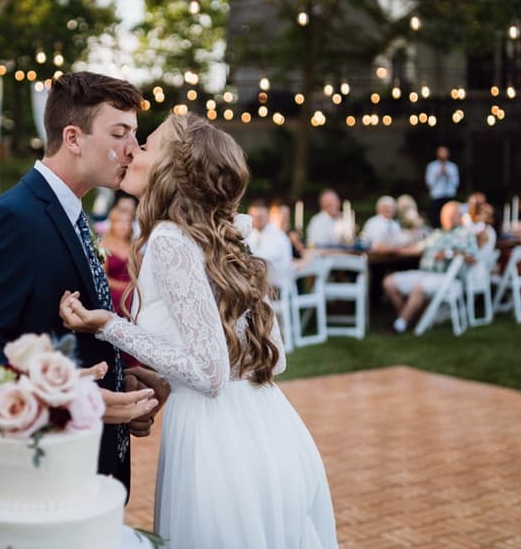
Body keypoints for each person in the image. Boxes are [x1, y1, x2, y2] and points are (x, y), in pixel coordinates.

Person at [60, 114, 337, 548]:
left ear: (172, 168)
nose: (133, 151)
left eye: (146, 145)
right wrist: (168, 379)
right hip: (269, 426)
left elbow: (209, 373)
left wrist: (109, 324)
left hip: (216, 443)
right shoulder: (221, 238)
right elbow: (272, 356)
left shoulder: (170, 240)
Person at [0, 72, 164, 495]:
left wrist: (121, 383)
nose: (133, 150)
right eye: (119, 134)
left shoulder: (73, 214)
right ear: (73, 138)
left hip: (88, 467)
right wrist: (68, 401)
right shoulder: (10, 220)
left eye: (135, 135)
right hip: (36, 475)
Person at [383, 201, 478, 334]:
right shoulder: (436, 234)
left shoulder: (465, 234)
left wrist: (449, 253)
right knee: (389, 283)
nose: (449, 217)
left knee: (419, 287)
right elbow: (416, 248)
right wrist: (390, 249)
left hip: (448, 279)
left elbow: (473, 259)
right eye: (446, 214)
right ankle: (409, 317)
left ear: (460, 216)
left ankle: (399, 325)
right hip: (425, 273)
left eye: (453, 214)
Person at [248, 199, 295, 287]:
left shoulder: (278, 236)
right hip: (258, 282)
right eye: (253, 216)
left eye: (260, 217)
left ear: (268, 216)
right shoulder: (251, 234)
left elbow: (263, 261)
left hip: (276, 286)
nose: (256, 220)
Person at [102, 202, 135, 315]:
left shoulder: (135, 246)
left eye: (127, 222)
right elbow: (103, 278)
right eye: (119, 221)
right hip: (113, 295)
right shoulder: (103, 247)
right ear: (112, 224)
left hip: (134, 293)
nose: (124, 225)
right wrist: (124, 287)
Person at [425, 145, 459, 226]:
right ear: (437, 154)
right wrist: (438, 174)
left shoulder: (452, 167)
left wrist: (448, 174)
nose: (443, 154)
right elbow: (429, 183)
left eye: (445, 152)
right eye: (441, 152)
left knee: (450, 216)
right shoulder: (432, 166)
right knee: (436, 218)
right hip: (437, 195)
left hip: (449, 195)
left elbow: (456, 183)